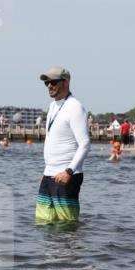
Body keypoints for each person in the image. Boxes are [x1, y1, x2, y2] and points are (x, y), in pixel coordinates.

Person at [36, 66, 90, 225]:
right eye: (46, 83)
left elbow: (85, 144)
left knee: (66, 226)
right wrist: (47, 170)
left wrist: (69, 171)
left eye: (53, 82)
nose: (49, 86)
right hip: (49, 174)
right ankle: (50, 252)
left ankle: (70, 251)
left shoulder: (75, 107)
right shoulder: (53, 106)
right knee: (43, 223)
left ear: (66, 82)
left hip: (67, 175)